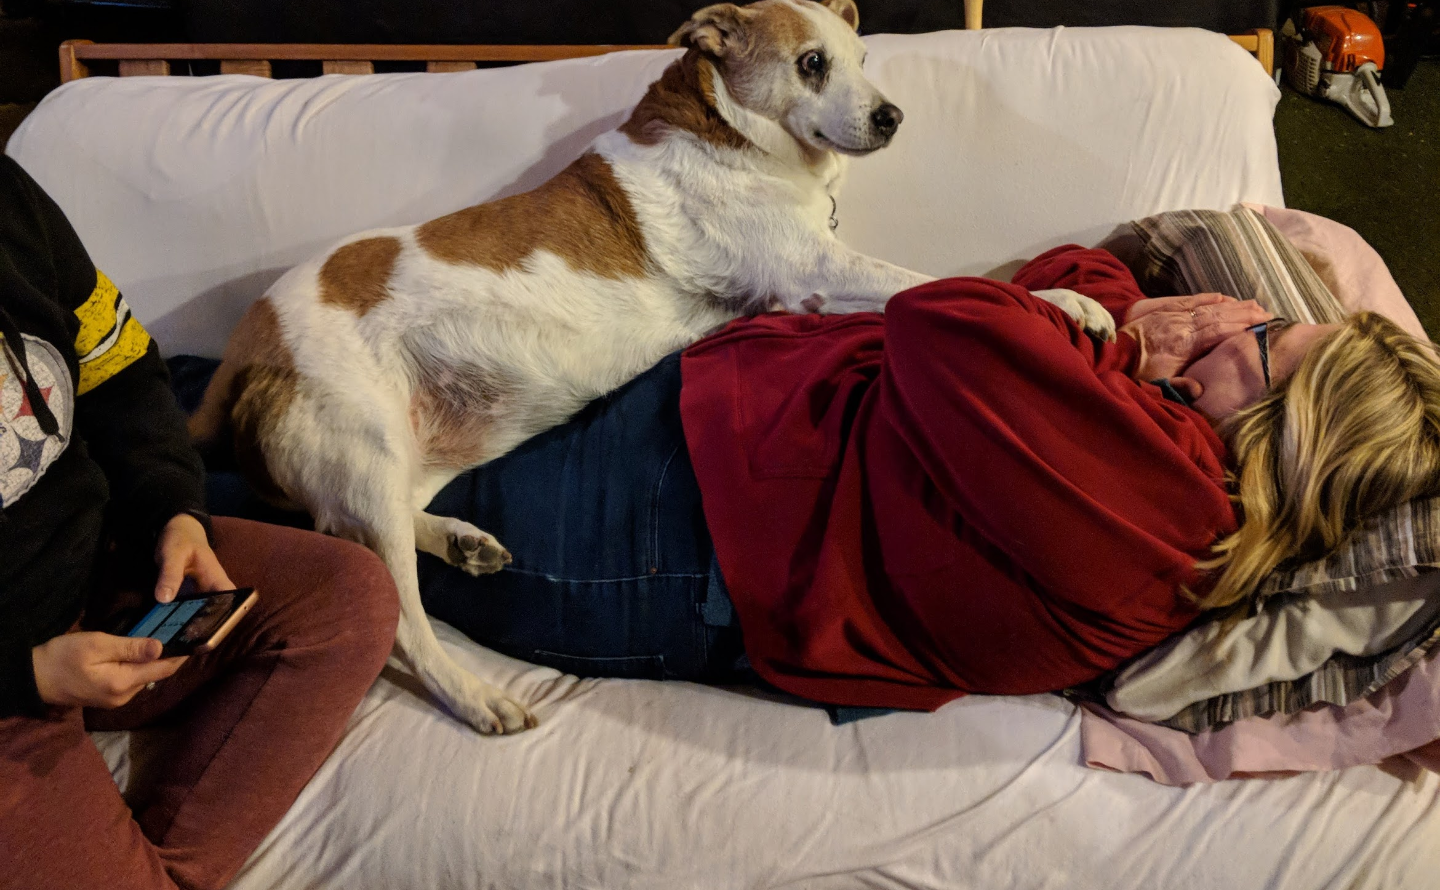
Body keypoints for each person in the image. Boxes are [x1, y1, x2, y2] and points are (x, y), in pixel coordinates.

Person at [414, 249, 1440, 714]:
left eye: (1266, 340)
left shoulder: (1163, 500)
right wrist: (1127, 324)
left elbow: (947, 319)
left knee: (349, 525)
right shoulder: (1158, 422)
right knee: (362, 407)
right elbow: (1072, 272)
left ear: (1282, 427)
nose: (1235, 322)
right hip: (699, 431)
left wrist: (1126, 345)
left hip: (672, 533)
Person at [1, 155, 399, 890]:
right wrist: (26, 671)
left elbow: (121, 370)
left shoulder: (9, 195)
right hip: (11, 698)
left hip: (104, 581)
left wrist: (172, 509)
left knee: (349, 601)